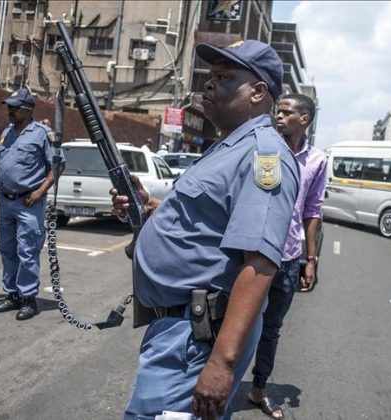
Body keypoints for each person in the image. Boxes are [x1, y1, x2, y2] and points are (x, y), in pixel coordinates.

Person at [111, 40, 300, 420]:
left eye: (225, 78)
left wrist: (222, 364)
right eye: (210, 77)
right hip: (178, 330)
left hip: (197, 338)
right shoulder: (228, 147)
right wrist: (147, 207)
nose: (209, 85)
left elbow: (259, 264)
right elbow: (206, 221)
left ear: (258, 92)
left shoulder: (265, 154)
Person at [247, 93, 328, 420]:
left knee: (271, 328)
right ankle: (219, 380)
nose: (278, 116)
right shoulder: (263, 148)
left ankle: (258, 389)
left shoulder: (317, 160)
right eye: (276, 111)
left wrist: (311, 260)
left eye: (286, 112)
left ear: (304, 119)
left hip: (289, 258)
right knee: (231, 320)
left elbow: (312, 211)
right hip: (254, 253)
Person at [0, 89, 54, 321]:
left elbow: (57, 167)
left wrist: (40, 191)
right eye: (8, 107)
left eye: (13, 107)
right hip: (6, 201)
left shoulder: (42, 134)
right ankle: (12, 294)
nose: (9, 111)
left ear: (28, 109)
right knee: (7, 249)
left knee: (27, 251)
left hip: (28, 202)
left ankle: (29, 298)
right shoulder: (7, 133)